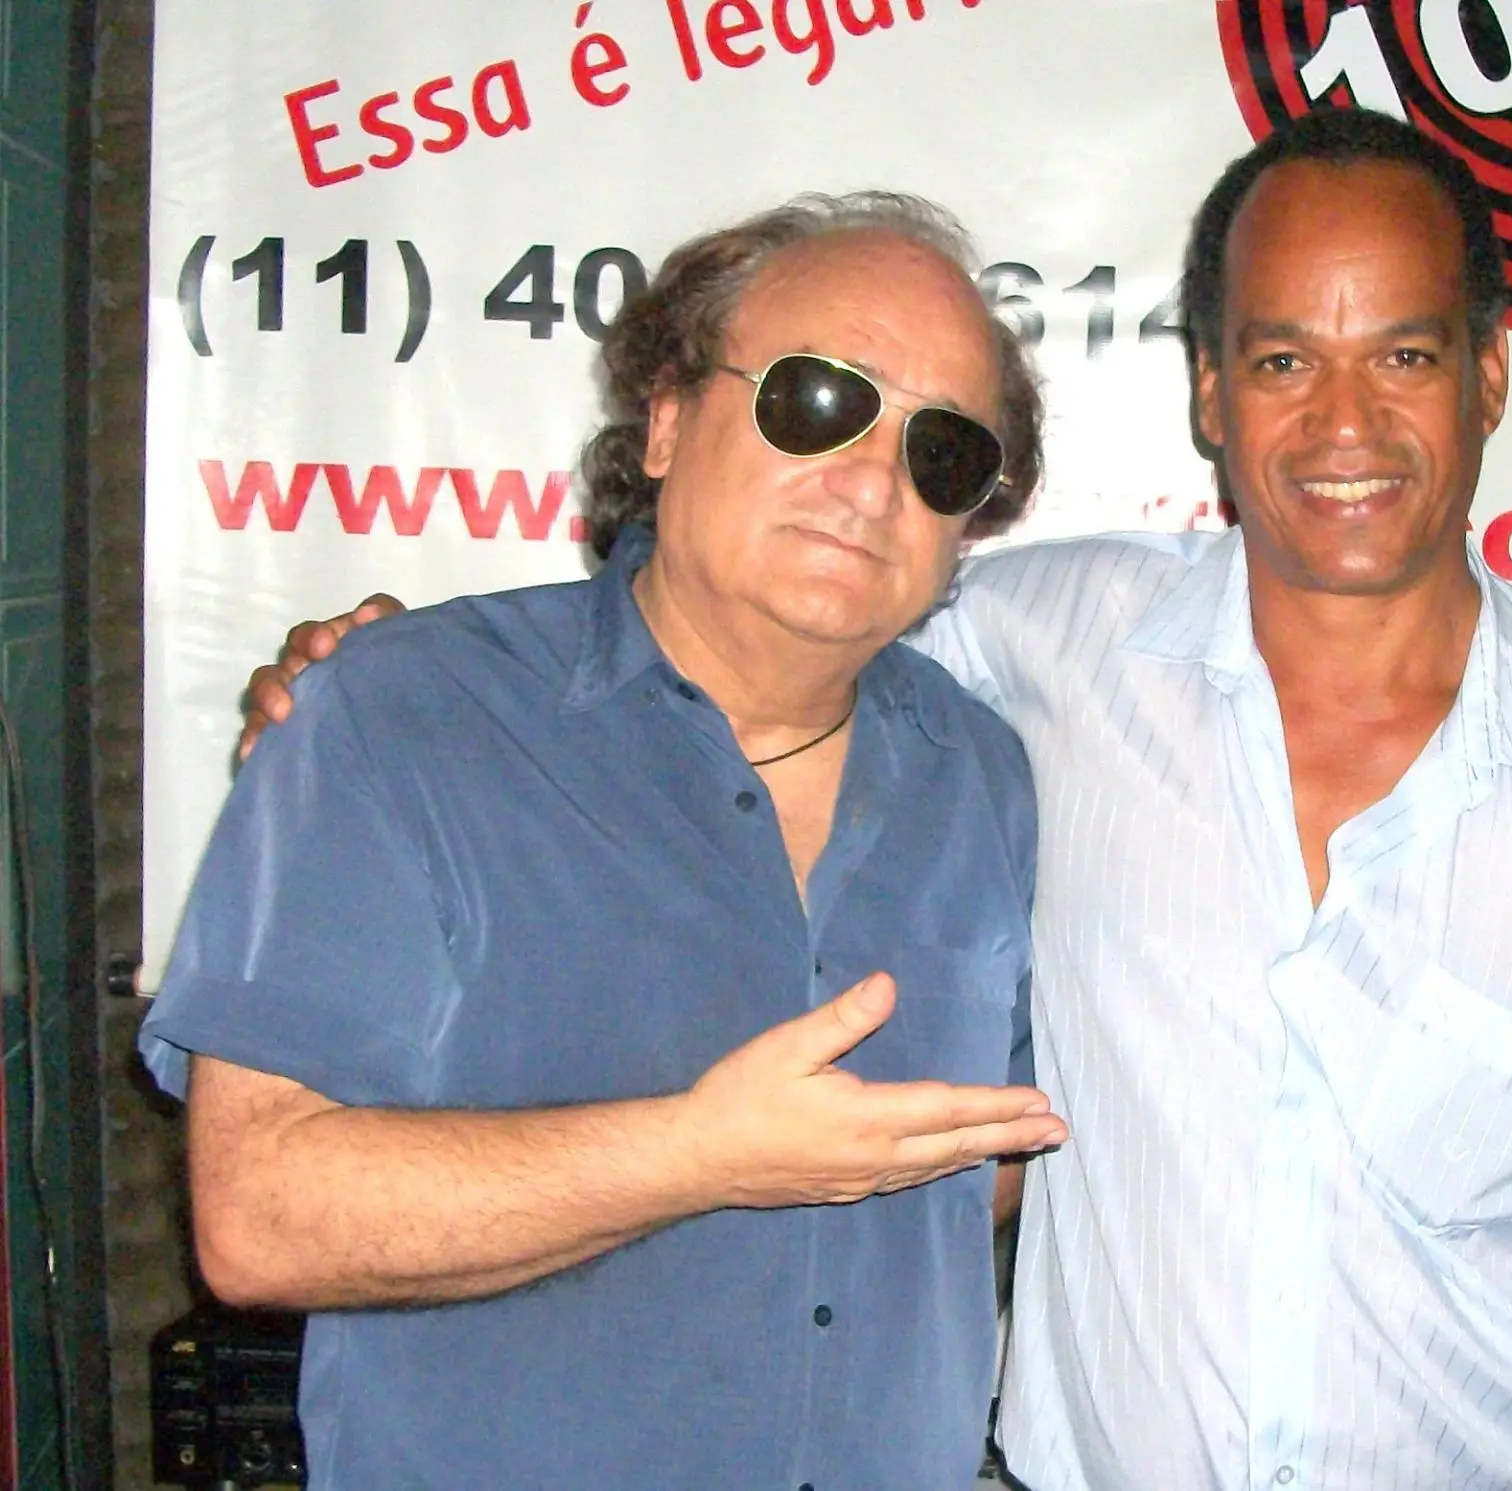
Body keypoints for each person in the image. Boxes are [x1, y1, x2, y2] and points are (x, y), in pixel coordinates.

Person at [241, 112, 1512, 1490]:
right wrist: (381, 678)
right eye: (1284, 360)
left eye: (1402, 355)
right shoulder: (1038, 656)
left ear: (1489, 375)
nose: (1345, 422)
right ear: (1212, 395)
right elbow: (743, 617)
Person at [141, 192, 1072, 1491]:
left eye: (943, 452)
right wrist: (700, 1155)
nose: (872, 481)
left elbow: (988, 1159)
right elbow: (260, 1216)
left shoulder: (985, 774)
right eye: (818, 402)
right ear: (669, 418)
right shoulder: (404, 716)